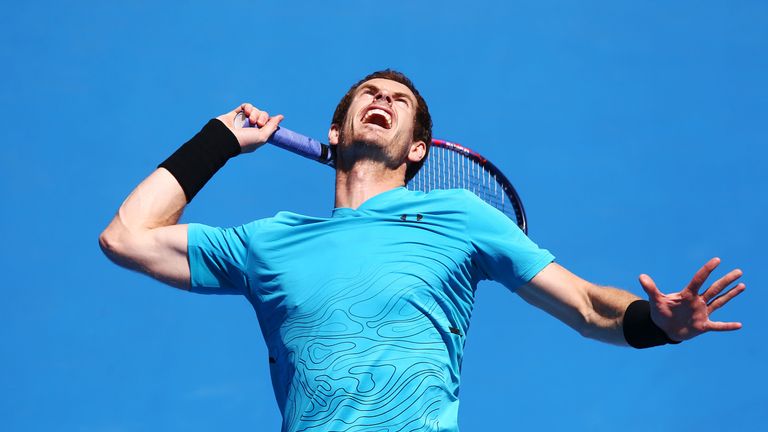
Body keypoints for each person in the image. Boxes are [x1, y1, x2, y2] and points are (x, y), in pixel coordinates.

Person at [99, 69, 745, 431]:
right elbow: (128, 236)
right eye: (369, 95)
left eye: (399, 101)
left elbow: (585, 306)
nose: (382, 99)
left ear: (417, 151)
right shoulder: (268, 242)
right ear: (338, 129)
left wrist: (656, 324)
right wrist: (217, 139)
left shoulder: (461, 215)